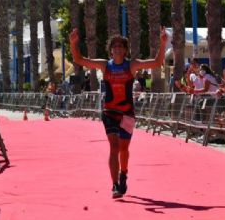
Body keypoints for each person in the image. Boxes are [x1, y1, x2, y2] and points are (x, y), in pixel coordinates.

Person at [69, 26, 167, 198]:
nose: (117, 48)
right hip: (110, 112)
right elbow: (79, 59)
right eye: (114, 46)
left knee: (124, 148)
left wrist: (163, 43)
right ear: (110, 49)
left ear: (125, 49)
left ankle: (124, 174)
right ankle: (114, 185)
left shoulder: (132, 65)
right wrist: (73, 43)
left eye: (120, 46)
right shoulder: (104, 65)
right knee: (113, 147)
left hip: (127, 113)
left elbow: (157, 63)